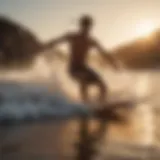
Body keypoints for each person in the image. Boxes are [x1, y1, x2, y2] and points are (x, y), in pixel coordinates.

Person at [48, 15, 120, 103]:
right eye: (85, 26)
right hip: (73, 68)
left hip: (84, 68)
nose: (87, 29)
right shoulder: (73, 36)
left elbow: (104, 53)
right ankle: (85, 103)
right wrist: (46, 46)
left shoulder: (91, 41)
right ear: (81, 26)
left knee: (103, 86)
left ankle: (101, 104)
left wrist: (113, 64)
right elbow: (57, 41)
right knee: (84, 79)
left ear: (91, 27)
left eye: (89, 26)